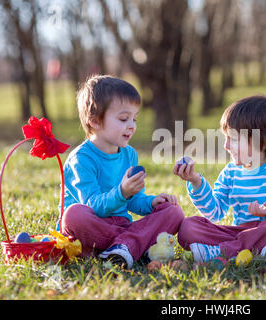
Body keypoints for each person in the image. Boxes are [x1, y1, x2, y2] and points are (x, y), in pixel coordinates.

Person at [59, 75, 184, 269]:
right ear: (95, 121)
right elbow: (93, 207)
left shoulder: (129, 154)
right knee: (74, 214)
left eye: (134, 118)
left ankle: (123, 248)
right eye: (124, 118)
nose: (132, 125)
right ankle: (131, 246)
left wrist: (151, 202)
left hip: (122, 226)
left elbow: (133, 200)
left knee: (174, 212)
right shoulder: (81, 160)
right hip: (92, 229)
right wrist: (122, 192)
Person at [174, 95, 266, 262]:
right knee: (189, 227)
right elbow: (214, 212)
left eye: (232, 139)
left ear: (261, 143)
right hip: (242, 233)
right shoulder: (231, 173)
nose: (225, 146)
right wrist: (195, 181)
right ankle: (256, 250)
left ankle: (225, 251)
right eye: (225, 138)